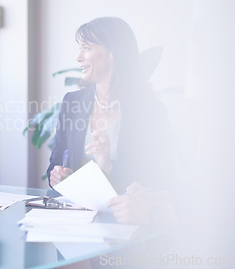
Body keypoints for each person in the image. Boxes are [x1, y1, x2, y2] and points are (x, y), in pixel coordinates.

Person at [47, 17, 175, 223]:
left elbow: (162, 182)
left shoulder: (150, 112)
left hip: (127, 228)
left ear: (113, 54)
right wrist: (59, 177)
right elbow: (55, 162)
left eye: (86, 48)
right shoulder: (72, 103)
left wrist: (108, 166)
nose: (78, 57)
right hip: (75, 222)